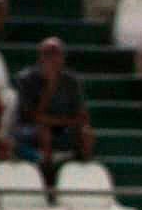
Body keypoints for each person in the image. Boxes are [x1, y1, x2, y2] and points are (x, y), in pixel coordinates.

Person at [14, 38, 95, 171]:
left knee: (87, 133)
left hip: (63, 127)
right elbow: (33, 117)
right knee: (44, 132)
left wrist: (62, 122)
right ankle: (47, 173)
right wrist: (49, 88)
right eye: (47, 54)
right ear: (40, 57)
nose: (52, 59)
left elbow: (82, 116)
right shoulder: (26, 79)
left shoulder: (71, 81)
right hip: (30, 128)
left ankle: (82, 171)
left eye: (56, 54)